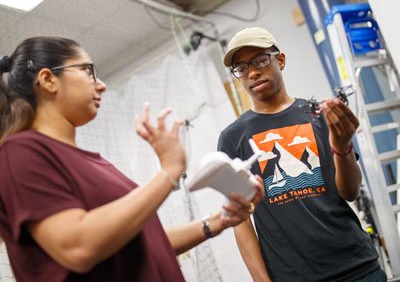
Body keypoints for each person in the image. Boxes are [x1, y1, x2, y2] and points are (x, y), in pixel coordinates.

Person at [0, 36, 264, 282]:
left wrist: (218, 221)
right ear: (48, 79)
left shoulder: (94, 162)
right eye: (87, 70)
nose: (101, 84)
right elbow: (78, 246)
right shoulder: (19, 153)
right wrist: (169, 171)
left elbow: (144, 240)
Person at [217, 27, 387, 282]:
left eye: (260, 60)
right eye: (241, 69)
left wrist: (343, 147)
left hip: (357, 268)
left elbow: (350, 192)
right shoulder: (232, 138)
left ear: (280, 60)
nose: (252, 72)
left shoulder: (318, 116)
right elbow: (241, 221)